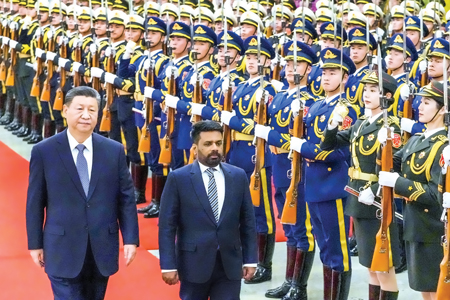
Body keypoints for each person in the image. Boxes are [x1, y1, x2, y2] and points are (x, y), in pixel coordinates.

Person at [26, 86, 139, 300]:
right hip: (61, 245)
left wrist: (131, 239)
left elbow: (125, 199)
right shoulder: (44, 151)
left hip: (101, 247)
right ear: (65, 110)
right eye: (79, 109)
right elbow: (35, 201)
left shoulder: (113, 150)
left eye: (92, 110)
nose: (86, 115)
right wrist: (35, 243)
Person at [321, 71, 402, 300]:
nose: (367, 94)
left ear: (386, 96)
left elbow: (394, 166)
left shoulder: (390, 126)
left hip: (377, 201)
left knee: (383, 266)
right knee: (369, 265)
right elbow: (328, 145)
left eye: (373, 90)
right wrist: (333, 124)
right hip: (357, 197)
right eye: (366, 89)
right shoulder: (360, 124)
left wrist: (376, 190)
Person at [158, 120, 257, 300]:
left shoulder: (238, 176)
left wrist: (250, 259)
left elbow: (248, 222)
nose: (215, 148)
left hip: (230, 265)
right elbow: (166, 225)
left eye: (218, 143)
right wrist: (168, 265)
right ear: (195, 148)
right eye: (208, 144)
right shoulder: (178, 179)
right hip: (193, 265)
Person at [379, 80, 448, 300]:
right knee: (424, 289)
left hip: (432, 228)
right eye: (421, 101)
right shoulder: (416, 140)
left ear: (443, 109)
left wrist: (397, 183)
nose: (420, 106)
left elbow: (434, 194)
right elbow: (391, 164)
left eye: (427, 102)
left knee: (436, 290)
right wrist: (385, 145)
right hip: (414, 224)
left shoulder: (444, 145)